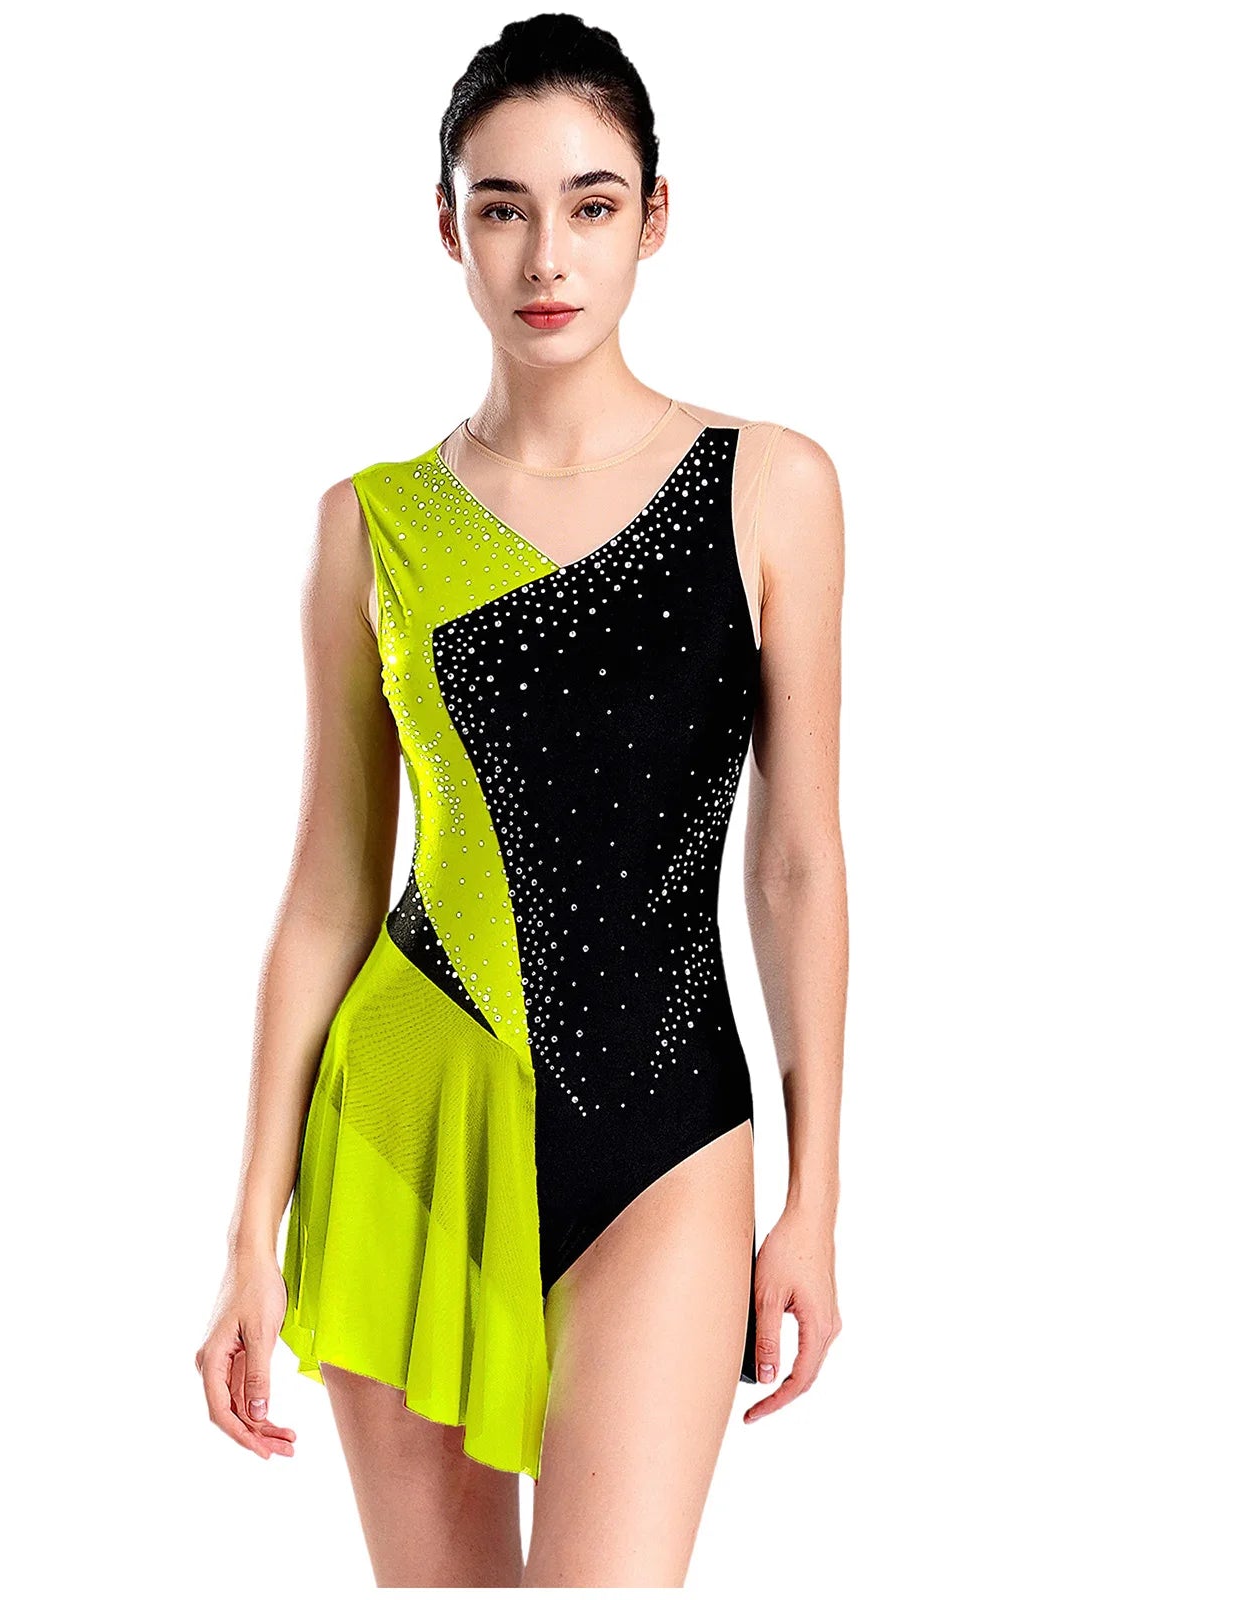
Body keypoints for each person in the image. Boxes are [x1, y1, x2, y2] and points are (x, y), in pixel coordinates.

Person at [196, 13, 847, 1586]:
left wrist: (816, 1198)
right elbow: (329, 890)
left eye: (591, 203)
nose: (546, 254)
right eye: (502, 207)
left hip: (670, 1139)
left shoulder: (771, 483)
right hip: (409, 1124)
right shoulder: (370, 526)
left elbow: (799, 866)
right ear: (449, 226)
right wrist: (247, 1237)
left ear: (654, 217)